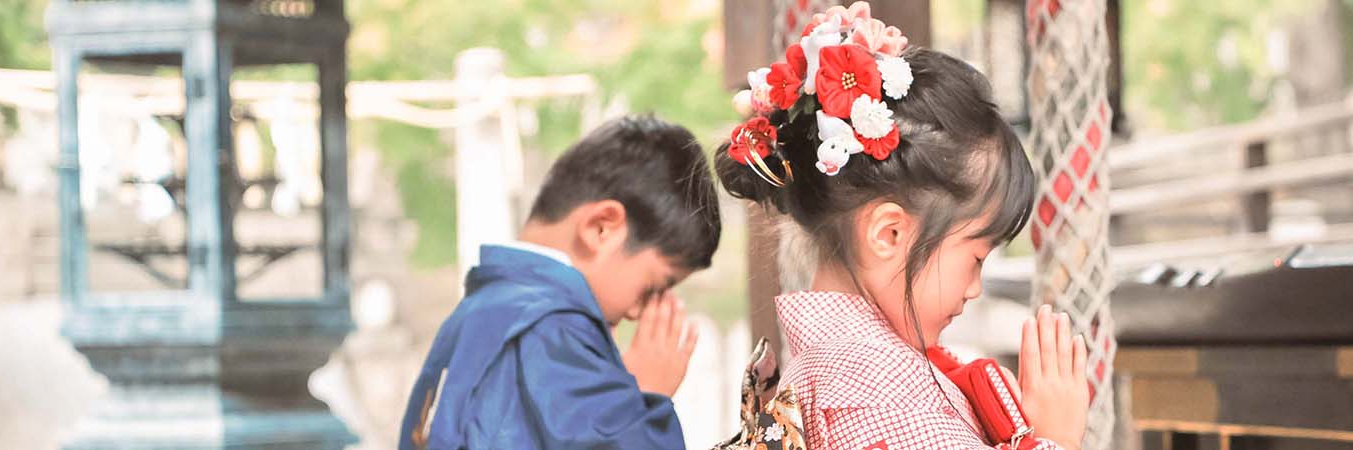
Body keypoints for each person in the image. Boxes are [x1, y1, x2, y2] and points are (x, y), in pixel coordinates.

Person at [715, 3, 1091, 449]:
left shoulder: (837, 374)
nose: (974, 288)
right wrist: (1055, 439)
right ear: (888, 234)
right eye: (975, 257)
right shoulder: (876, 400)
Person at [398, 116, 720, 450]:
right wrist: (640, 404)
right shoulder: (553, 329)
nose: (638, 313)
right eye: (652, 287)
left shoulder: (479, 313)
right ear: (601, 228)